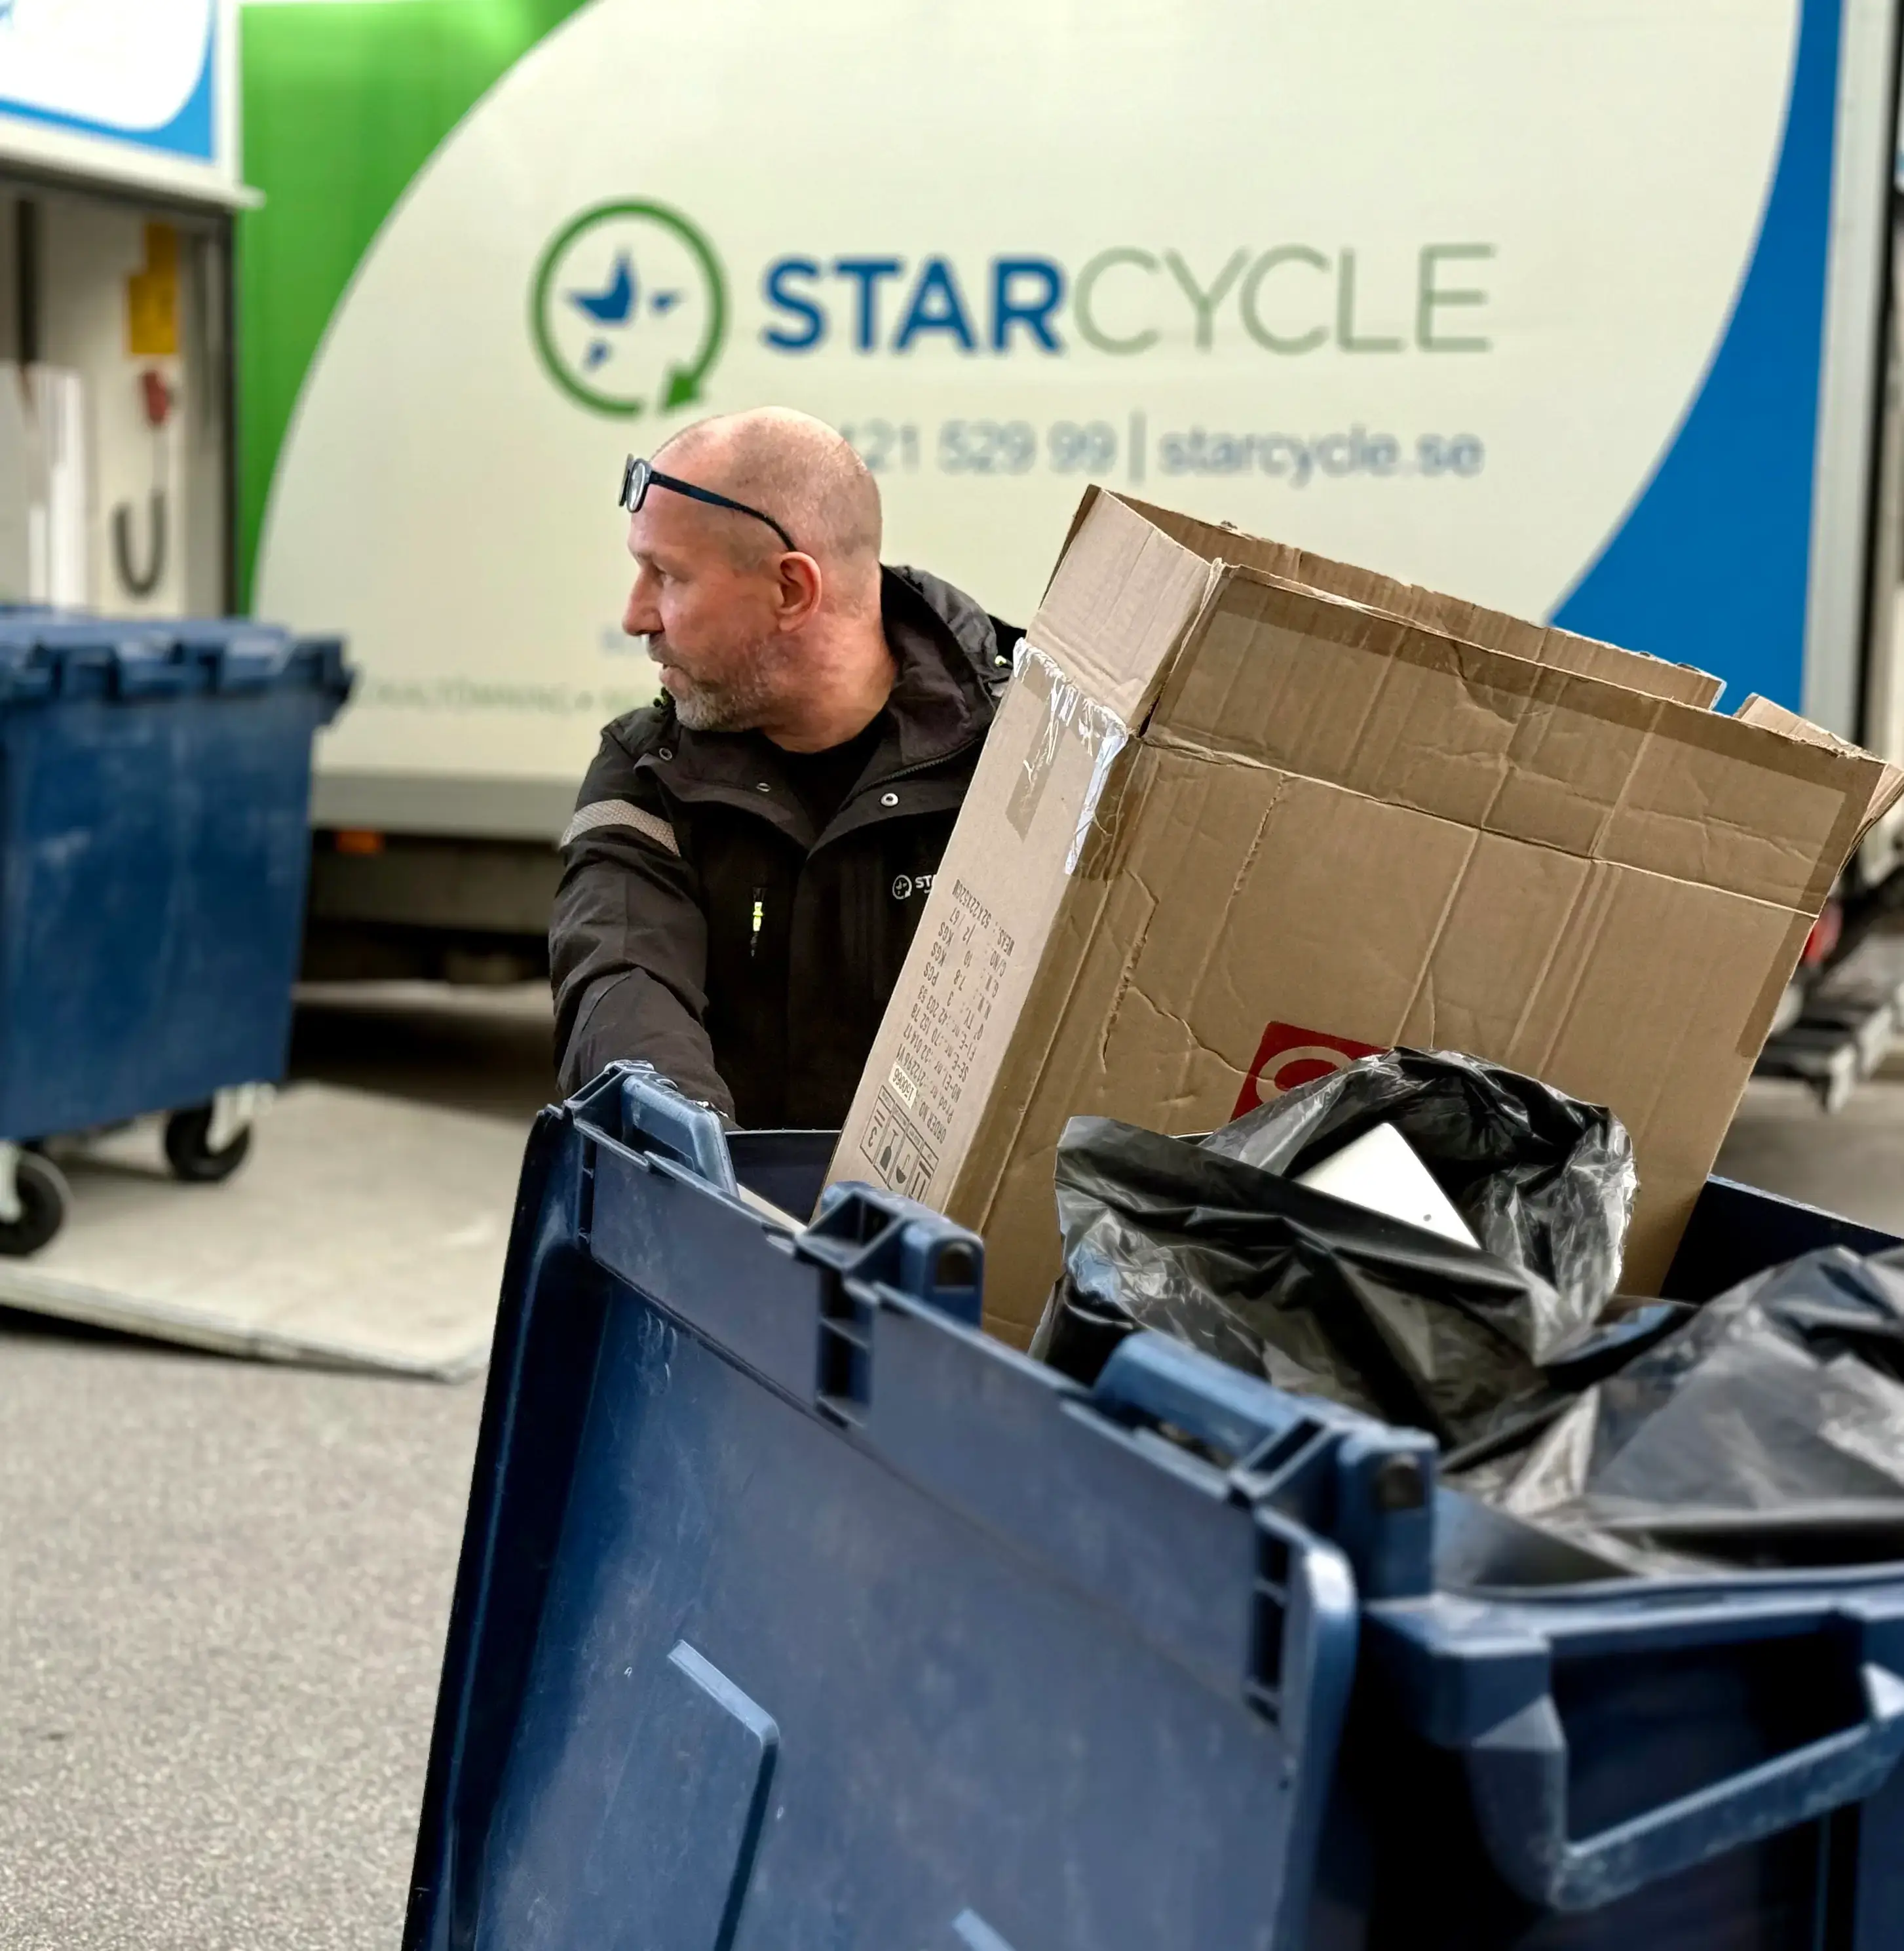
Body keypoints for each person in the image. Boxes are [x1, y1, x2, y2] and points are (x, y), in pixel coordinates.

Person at [550, 408, 1021, 1127]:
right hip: (737, 1218)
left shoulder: (1020, 760)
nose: (635, 615)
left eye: (665, 576)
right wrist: (696, 1156)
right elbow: (619, 976)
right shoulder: (647, 770)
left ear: (792, 590)